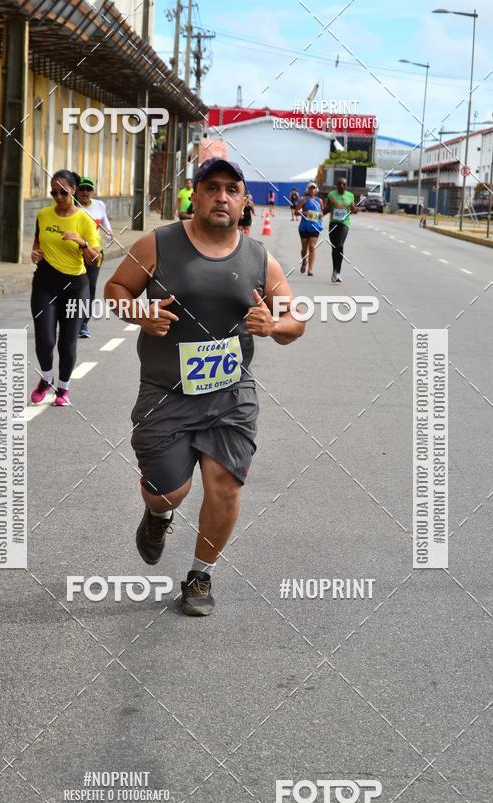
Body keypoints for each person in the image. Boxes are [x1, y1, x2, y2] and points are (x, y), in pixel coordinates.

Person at [104, 157, 304, 616]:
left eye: (231, 189)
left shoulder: (260, 259)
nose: (221, 197)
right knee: (168, 491)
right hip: (165, 392)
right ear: (194, 194)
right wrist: (140, 313)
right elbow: (116, 289)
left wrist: (273, 325)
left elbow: (295, 320)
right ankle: (158, 516)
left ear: (243, 200)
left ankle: (199, 576)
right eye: (211, 188)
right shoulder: (159, 244)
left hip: (230, 395)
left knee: (224, 486)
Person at [29, 170, 100, 407]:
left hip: (76, 287)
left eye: (63, 191)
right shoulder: (43, 215)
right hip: (45, 284)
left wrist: (82, 242)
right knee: (45, 340)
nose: (58, 196)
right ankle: (46, 379)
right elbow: (38, 242)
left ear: (73, 190)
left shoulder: (84, 221)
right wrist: (35, 253)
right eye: (53, 192)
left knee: (67, 341)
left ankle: (63, 389)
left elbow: (95, 260)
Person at [76, 176, 113, 338]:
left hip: (94, 254)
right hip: (74, 254)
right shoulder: (72, 206)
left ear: (92, 192)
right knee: (72, 288)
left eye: (88, 189)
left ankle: (83, 324)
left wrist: (109, 234)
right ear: (76, 191)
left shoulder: (99, 206)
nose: (85, 192)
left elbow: (106, 226)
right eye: (82, 189)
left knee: (89, 288)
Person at [324, 176, 356, 283]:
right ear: (336, 185)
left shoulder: (350, 196)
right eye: (339, 184)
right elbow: (326, 209)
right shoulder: (331, 195)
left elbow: (353, 208)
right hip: (333, 223)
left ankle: (338, 272)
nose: (341, 186)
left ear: (346, 186)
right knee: (334, 248)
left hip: (344, 223)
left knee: (340, 245)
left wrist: (354, 209)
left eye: (344, 184)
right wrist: (322, 213)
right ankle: (334, 270)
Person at [296, 182, 323, 276]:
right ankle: (304, 262)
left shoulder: (319, 201)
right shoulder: (303, 200)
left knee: (312, 246)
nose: (312, 190)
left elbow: (322, 213)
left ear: (316, 190)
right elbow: (296, 212)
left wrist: (319, 214)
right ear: (308, 190)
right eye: (310, 188)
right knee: (304, 249)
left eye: (314, 188)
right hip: (304, 227)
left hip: (315, 227)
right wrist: (305, 212)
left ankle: (310, 269)